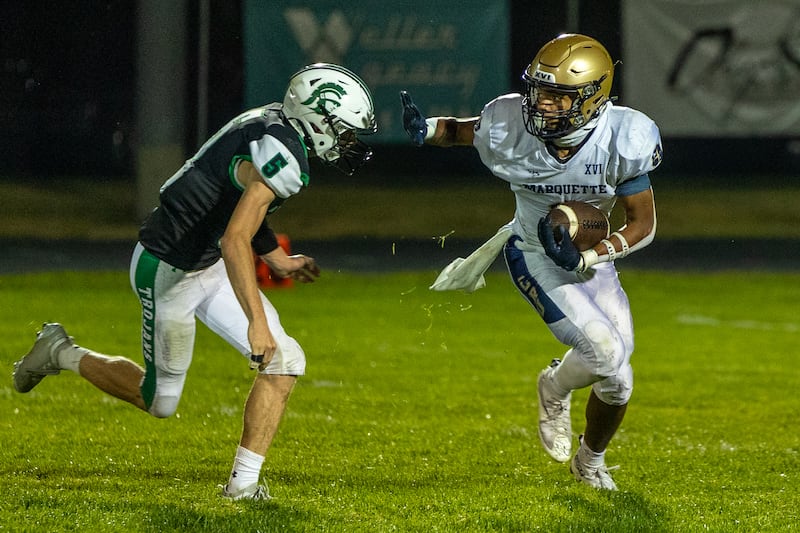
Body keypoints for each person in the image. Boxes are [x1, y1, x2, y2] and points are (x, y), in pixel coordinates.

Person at [13, 63, 377, 500]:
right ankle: (60, 351)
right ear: (319, 119)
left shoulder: (274, 124)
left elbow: (239, 210)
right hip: (169, 268)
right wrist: (255, 321)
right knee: (160, 402)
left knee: (285, 362)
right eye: (344, 130)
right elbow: (234, 238)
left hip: (206, 262)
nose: (347, 141)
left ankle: (242, 488)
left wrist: (277, 258)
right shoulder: (284, 155)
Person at [400, 34, 662, 490]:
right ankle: (554, 387)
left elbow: (643, 222)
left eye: (559, 97)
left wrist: (591, 256)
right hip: (532, 253)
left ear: (595, 96)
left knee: (618, 381)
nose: (544, 105)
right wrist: (426, 129)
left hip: (591, 259)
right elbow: (464, 131)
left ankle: (590, 461)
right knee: (604, 354)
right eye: (539, 93)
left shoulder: (624, 136)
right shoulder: (508, 122)